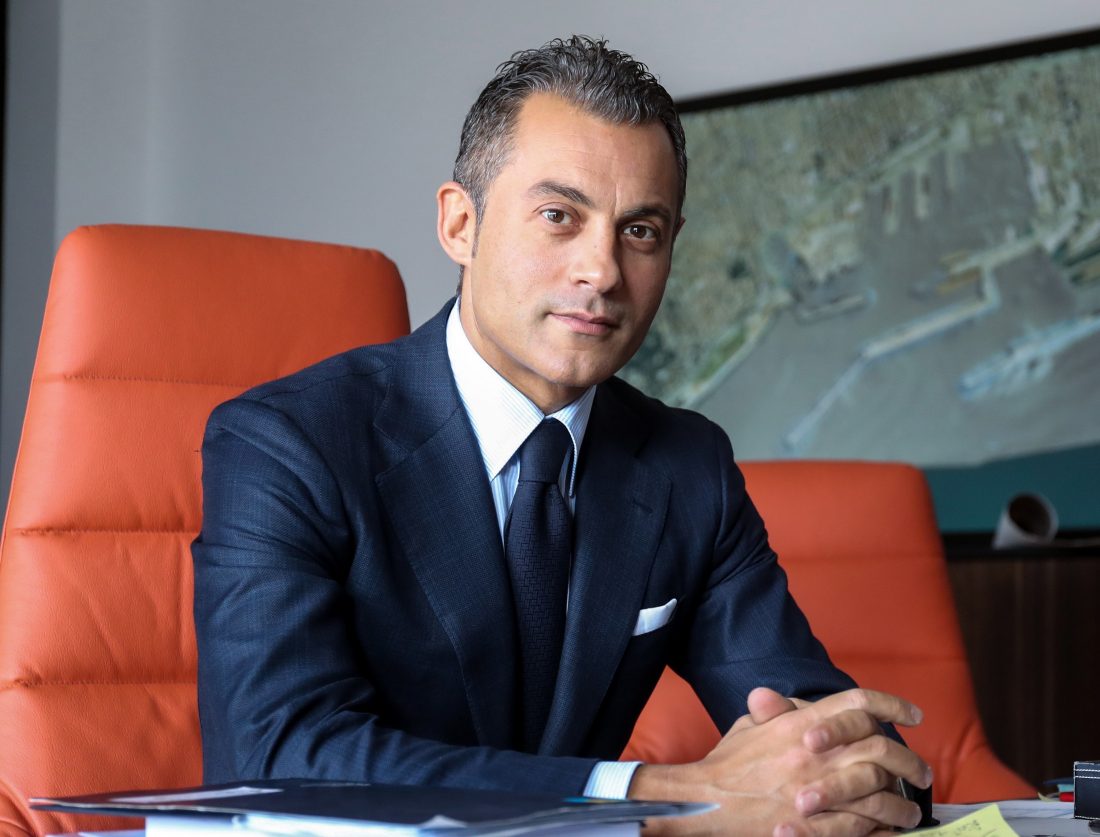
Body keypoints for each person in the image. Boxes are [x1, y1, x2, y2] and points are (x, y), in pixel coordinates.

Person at [192, 36, 933, 836]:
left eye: (640, 231)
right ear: (461, 224)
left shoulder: (689, 468)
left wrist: (838, 776)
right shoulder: (286, 444)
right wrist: (662, 800)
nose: (603, 271)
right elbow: (278, 759)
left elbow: (844, 749)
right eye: (559, 216)